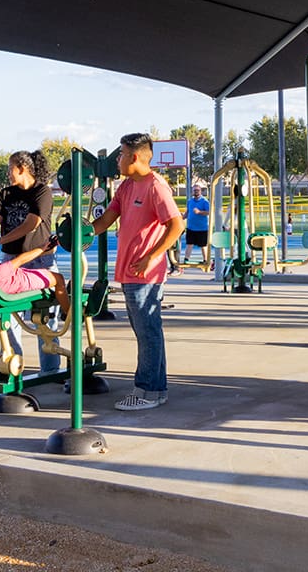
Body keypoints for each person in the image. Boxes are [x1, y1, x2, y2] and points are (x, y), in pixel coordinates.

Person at [91, 133, 185, 411]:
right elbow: (107, 219)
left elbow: (176, 225)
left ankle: (146, 391)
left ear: (134, 157)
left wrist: (151, 258)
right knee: (147, 332)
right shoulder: (127, 187)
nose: (117, 160)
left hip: (146, 275)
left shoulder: (156, 186)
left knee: (148, 333)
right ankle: (157, 390)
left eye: (120, 154)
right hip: (129, 273)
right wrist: (80, 233)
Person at [0, 150, 60, 374]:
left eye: (10, 168)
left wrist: (0, 239)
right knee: (10, 315)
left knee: (45, 317)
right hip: (11, 259)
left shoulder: (42, 192)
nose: (7, 173)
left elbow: (31, 224)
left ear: (22, 168)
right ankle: (13, 364)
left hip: (40, 258)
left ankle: (50, 370)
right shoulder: (6, 193)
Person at [184, 184, 211, 267]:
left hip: (202, 228)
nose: (196, 192)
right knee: (189, 244)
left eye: (197, 190)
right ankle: (186, 259)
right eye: (194, 190)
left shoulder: (204, 201)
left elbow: (209, 212)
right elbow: (188, 211)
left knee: (203, 245)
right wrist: (183, 217)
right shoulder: (190, 201)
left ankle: (205, 260)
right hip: (191, 227)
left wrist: (199, 212)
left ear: (200, 191)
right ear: (192, 191)